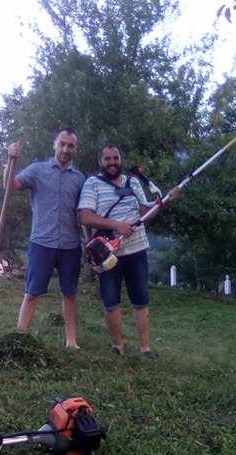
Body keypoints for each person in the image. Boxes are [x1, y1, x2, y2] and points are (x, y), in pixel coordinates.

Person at [78, 144, 180, 359]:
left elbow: (145, 211)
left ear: (120, 159)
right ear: (100, 161)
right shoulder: (92, 184)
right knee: (110, 300)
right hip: (107, 254)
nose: (112, 162)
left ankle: (145, 349)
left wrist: (164, 202)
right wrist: (116, 225)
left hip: (137, 249)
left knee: (141, 299)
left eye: (115, 158)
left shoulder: (133, 181)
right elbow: (85, 216)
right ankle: (118, 346)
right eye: (107, 159)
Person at [6, 128, 86, 349]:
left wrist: (88, 242)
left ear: (75, 149)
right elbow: (9, 185)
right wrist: (11, 160)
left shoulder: (80, 179)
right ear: (55, 144)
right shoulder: (37, 170)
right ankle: (19, 338)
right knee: (31, 293)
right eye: (62, 144)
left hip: (71, 245)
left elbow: (84, 214)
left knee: (69, 294)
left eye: (70, 145)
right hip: (41, 243)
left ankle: (71, 341)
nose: (65, 149)